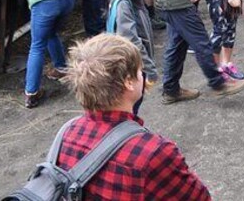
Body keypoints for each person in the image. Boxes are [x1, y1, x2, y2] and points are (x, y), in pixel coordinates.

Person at [56, 34, 211, 199]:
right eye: (140, 70)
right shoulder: (152, 152)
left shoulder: (67, 133)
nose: (143, 76)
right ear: (128, 82)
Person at [105, 0, 158, 115]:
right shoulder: (123, 4)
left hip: (133, 66)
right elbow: (131, 41)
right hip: (132, 66)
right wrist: (149, 68)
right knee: (130, 107)